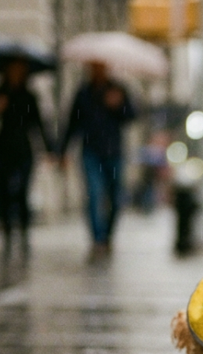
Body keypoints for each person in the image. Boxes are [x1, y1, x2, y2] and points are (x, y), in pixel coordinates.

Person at [58, 61, 136, 260]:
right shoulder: (83, 93)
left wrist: (119, 105)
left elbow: (132, 116)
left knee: (115, 198)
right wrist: (63, 151)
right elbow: (72, 123)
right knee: (93, 193)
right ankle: (98, 239)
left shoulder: (118, 90)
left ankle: (108, 235)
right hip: (91, 151)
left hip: (114, 152)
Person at [0, 58, 53, 255]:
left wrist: (50, 149)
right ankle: (8, 236)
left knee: (22, 193)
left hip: (24, 150)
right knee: (3, 193)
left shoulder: (29, 96)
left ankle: (25, 235)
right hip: (2, 149)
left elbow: (39, 124)